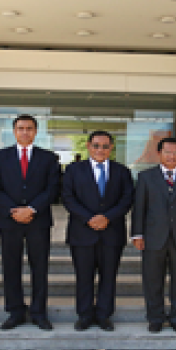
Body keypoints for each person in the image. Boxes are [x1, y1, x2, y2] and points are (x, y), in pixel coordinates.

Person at [0, 115, 60, 331]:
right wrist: (13, 209)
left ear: (36, 131)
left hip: (38, 221)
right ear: (14, 131)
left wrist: (31, 209)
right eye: (21, 128)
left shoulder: (48, 158)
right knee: (11, 267)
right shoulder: (0, 157)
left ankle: (39, 312)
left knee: (39, 268)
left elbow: (53, 188)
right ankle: (15, 311)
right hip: (9, 221)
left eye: (29, 128)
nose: (25, 132)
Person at [61, 131, 134, 332]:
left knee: (108, 276)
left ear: (111, 148)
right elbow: (68, 197)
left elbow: (127, 199)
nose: (100, 150)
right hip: (82, 232)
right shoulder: (74, 170)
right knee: (83, 277)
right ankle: (84, 315)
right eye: (96, 145)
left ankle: (103, 315)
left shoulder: (122, 171)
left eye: (104, 146)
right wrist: (89, 218)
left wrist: (107, 217)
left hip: (112, 233)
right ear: (88, 146)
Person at [131, 137, 176, 334]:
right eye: (167, 152)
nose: (171, 156)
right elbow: (139, 208)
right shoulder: (146, 177)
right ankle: (155, 318)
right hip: (153, 237)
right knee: (152, 281)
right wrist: (137, 234)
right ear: (159, 154)